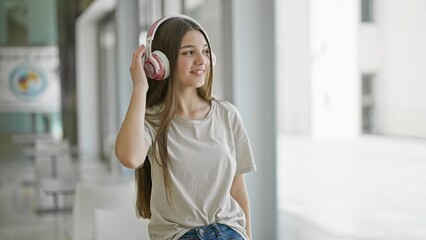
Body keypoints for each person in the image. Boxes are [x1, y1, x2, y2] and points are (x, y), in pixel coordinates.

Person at [115, 14, 256, 240]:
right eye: (189, 52)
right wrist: (140, 87)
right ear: (162, 63)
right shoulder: (153, 120)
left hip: (228, 231)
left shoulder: (227, 115)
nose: (202, 60)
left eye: (206, 52)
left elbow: (238, 190)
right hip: (180, 235)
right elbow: (130, 157)